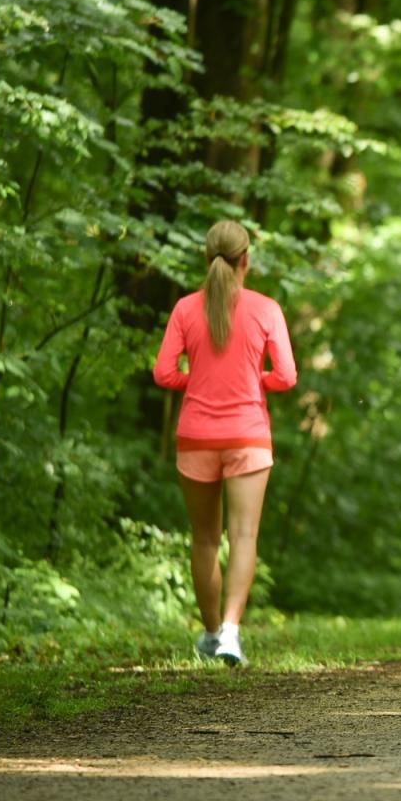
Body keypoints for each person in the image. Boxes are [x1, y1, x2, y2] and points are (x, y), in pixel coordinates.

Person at [154, 220, 297, 668]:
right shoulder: (267, 308)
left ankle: (212, 632)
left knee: (204, 539)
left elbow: (163, 374)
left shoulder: (183, 309)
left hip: (195, 437)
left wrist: (195, 379)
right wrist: (257, 379)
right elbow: (287, 377)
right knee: (244, 536)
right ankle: (232, 634)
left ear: (206, 257)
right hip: (248, 438)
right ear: (245, 260)